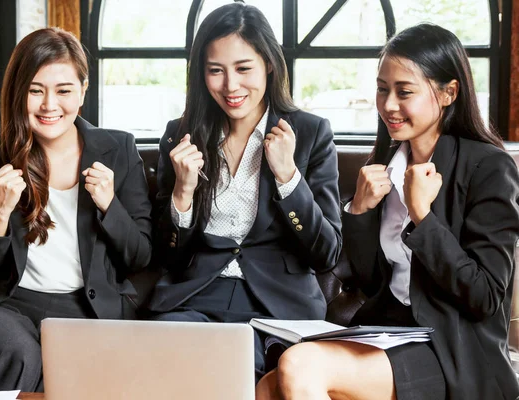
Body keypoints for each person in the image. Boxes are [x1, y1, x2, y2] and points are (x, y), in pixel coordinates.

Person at [255, 23, 519, 400]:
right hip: (390, 332)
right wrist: (360, 210)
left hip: (451, 350)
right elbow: (369, 282)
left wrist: (422, 216)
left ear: (448, 93)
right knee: (268, 386)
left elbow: (485, 296)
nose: (388, 105)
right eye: (382, 89)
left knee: (300, 365)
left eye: (404, 92)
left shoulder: (488, 167)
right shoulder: (385, 163)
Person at [0, 27, 153, 392]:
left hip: (87, 310)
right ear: (19, 94)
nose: (50, 105)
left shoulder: (119, 149)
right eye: (35, 91)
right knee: (19, 353)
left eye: (63, 90)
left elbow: (140, 256)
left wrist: (110, 206)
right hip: (7, 306)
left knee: (68, 371)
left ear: (83, 90)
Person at [146, 2, 342, 381]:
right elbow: (166, 256)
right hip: (195, 298)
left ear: (269, 63)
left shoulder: (310, 133)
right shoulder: (180, 134)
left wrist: (288, 178)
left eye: (243, 68)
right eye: (215, 70)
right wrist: (182, 193)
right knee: (169, 360)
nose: (230, 86)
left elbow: (326, 252)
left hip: (276, 305)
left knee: (234, 366)